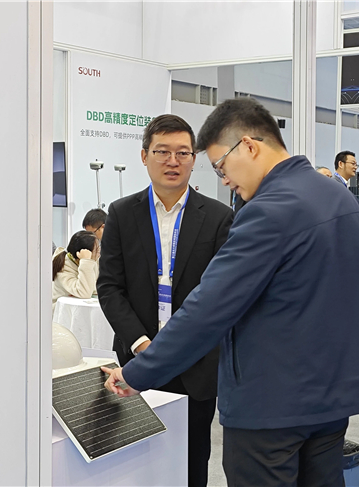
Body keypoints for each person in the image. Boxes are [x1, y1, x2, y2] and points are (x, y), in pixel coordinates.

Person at [102, 99, 359, 487]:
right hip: (330, 398)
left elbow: (209, 307)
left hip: (270, 402)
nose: (224, 180)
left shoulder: (269, 210)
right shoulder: (338, 197)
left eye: (221, 166)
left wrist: (139, 372)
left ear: (249, 147)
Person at [97, 114, 233, 487]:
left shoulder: (219, 218)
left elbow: (219, 296)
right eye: (162, 152)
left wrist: (178, 349)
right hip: (137, 362)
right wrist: (142, 344)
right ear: (144, 156)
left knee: (191, 462)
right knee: (135, 464)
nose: (173, 161)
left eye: (182, 153)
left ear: (194, 159)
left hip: (195, 364)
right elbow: (109, 287)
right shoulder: (122, 213)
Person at [52, 230, 100, 311]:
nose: (99, 252)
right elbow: (85, 293)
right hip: (62, 314)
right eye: (96, 250)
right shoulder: (64, 268)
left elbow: (97, 286)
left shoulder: (92, 261)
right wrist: (86, 261)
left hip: (79, 310)